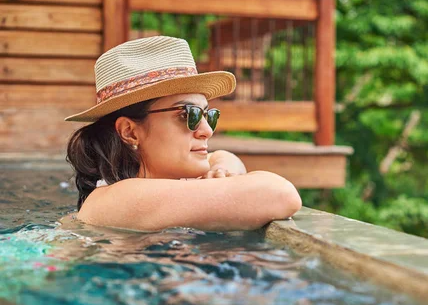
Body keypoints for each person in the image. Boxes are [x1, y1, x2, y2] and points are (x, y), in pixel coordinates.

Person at [64, 36, 301, 232]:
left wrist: (224, 167)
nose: (207, 131)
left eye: (209, 115)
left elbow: (223, 156)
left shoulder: (165, 187)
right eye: (189, 115)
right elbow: (280, 194)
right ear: (130, 132)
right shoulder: (119, 200)